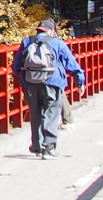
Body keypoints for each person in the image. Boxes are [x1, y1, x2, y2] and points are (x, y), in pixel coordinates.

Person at [14, 18, 86, 157]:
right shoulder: (57, 43)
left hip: (31, 83)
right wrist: (79, 81)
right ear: (52, 30)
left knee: (35, 114)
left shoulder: (27, 41)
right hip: (52, 82)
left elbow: (16, 67)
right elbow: (70, 64)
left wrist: (25, 82)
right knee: (51, 113)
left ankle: (36, 146)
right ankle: (49, 147)